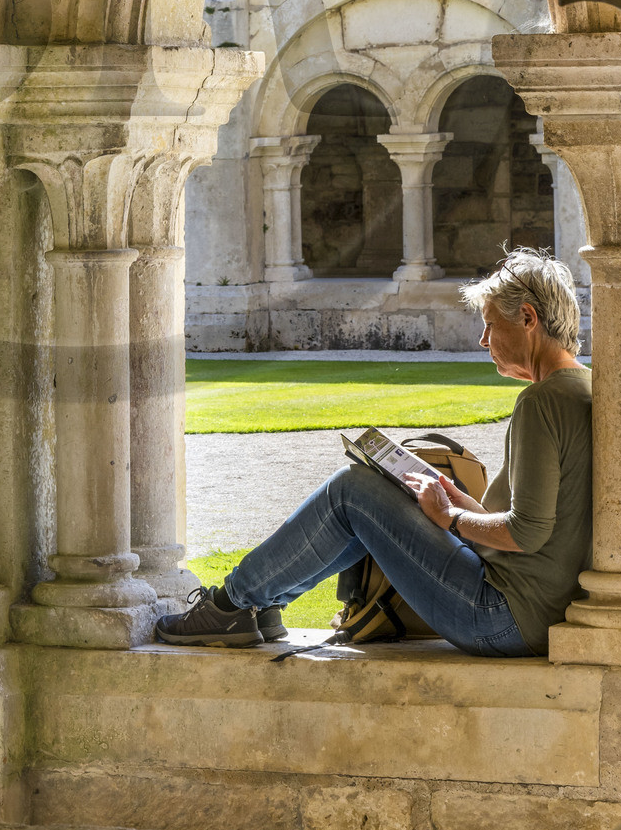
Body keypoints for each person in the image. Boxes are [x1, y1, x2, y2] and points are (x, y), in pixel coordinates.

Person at [154, 249, 592, 656]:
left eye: (491, 325)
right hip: (533, 610)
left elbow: (526, 533)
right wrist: (459, 502)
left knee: (352, 492)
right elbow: (542, 527)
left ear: (529, 318)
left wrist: (451, 518)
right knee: (375, 491)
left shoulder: (542, 401)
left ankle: (232, 605)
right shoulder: (583, 388)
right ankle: (257, 605)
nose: (483, 340)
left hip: (502, 618)